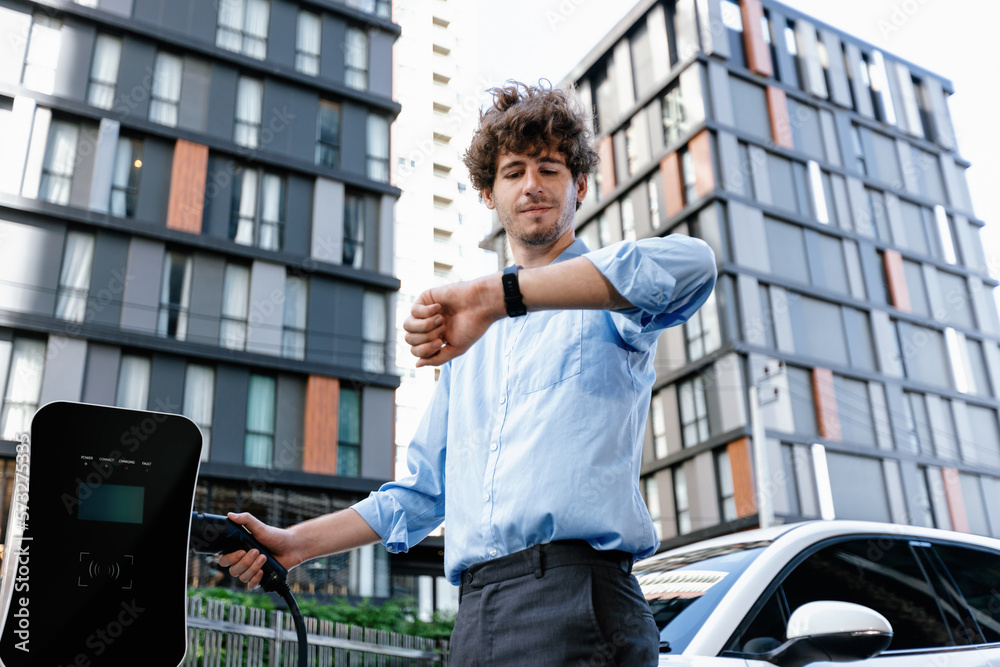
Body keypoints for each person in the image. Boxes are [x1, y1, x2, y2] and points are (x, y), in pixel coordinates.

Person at [219, 81, 717, 666]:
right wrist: (294, 544)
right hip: (477, 614)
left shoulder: (607, 298)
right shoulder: (474, 343)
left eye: (551, 168)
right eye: (514, 172)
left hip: (578, 601)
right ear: (488, 193)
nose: (533, 185)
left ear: (579, 185)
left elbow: (694, 265)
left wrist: (493, 294)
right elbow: (422, 491)